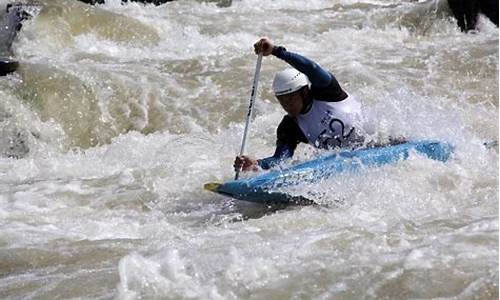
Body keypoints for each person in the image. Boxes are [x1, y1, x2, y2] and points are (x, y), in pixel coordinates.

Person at [234, 37, 369, 172]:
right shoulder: (290, 126)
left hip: (375, 142)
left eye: (290, 98)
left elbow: (311, 68)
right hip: (346, 160)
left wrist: (276, 51)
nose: (286, 105)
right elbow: (280, 159)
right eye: (282, 100)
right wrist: (257, 164)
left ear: (304, 92)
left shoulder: (327, 92)